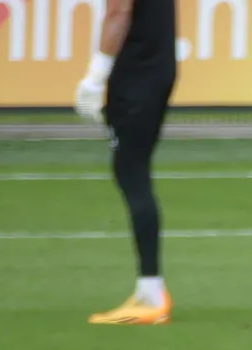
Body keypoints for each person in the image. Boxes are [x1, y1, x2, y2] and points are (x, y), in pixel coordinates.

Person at [74, 0, 177, 325]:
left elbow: (118, 11)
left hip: (139, 73)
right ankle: (149, 287)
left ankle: (152, 291)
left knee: (132, 172)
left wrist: (95, 76)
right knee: (131, 169)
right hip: (153, 67)